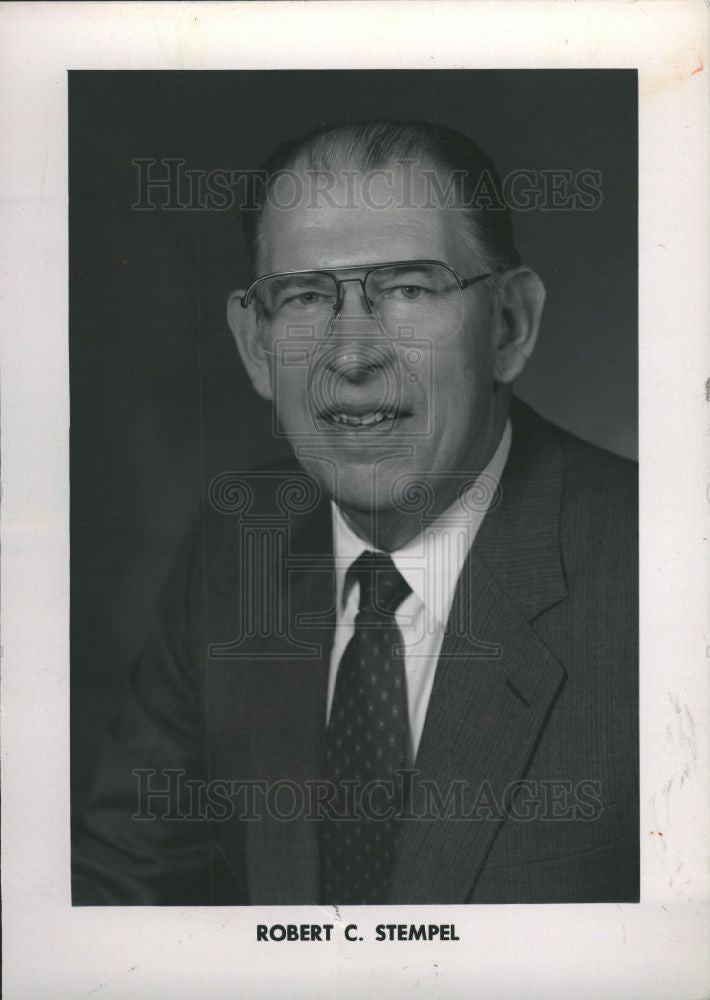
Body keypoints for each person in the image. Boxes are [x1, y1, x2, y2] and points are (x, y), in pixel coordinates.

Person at [72, 120, 638, 906]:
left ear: (509, 326)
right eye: (305, 297)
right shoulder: (238, 552)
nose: (352, 355)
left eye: (407, 288)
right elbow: (116, 893)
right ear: (254, 344)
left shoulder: (665, 575)